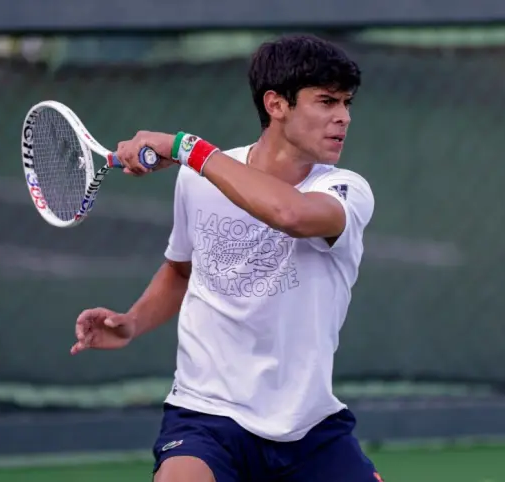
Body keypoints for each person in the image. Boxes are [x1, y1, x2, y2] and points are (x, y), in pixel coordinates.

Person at [70, 33, 379, 482]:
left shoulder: (346, 190)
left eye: (347, 104)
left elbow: (287, 213)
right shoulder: (197, 181)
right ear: (276, 105)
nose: (343, 118)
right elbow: (182, 268)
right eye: (326, 102)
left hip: (308, 428)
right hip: (205, 416)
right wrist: (133, 321)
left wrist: (186, 149)